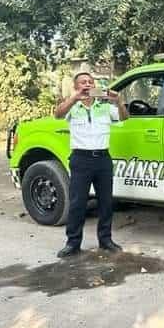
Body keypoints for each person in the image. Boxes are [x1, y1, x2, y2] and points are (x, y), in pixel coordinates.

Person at [54, 72, 128, 258]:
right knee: (78, 203)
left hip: (102, 159)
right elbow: (57, 115)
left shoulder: (104, 106)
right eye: (83, 82)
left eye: (90, 81)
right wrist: (74, 98)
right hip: (81, 159)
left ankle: (105, 240)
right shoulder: (72, 106)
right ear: (76, 86)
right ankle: (72, 243)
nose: (87, 84)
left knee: (105, 202)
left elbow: (124, 118)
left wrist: (118, 102)